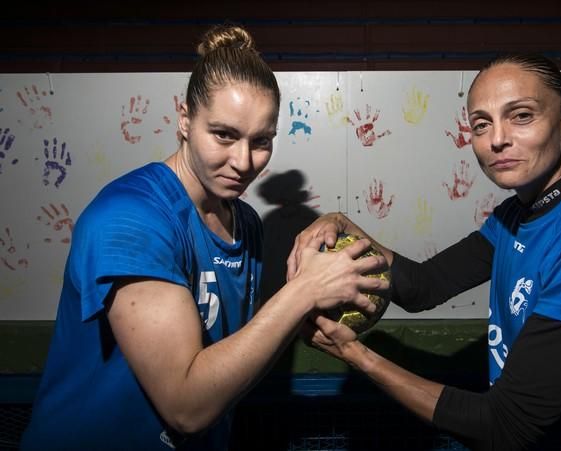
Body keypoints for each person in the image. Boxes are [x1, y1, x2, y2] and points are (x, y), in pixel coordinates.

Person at [21, 24, 388, 451]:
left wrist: (310, 308)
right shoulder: (129, 219)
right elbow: (187, 406)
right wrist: (304, 292)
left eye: (262, 142)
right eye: (224, 135)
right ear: (184, 118)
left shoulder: (245, 221)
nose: (244, 162)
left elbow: (231, 354)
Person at [288, 54, 561, 450]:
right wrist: (344, 223)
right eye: (481, 123)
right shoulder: (517, 215)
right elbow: (424, 286)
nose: (497, 139)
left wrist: (356, 355)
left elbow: (507, 428)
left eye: (521, 115)